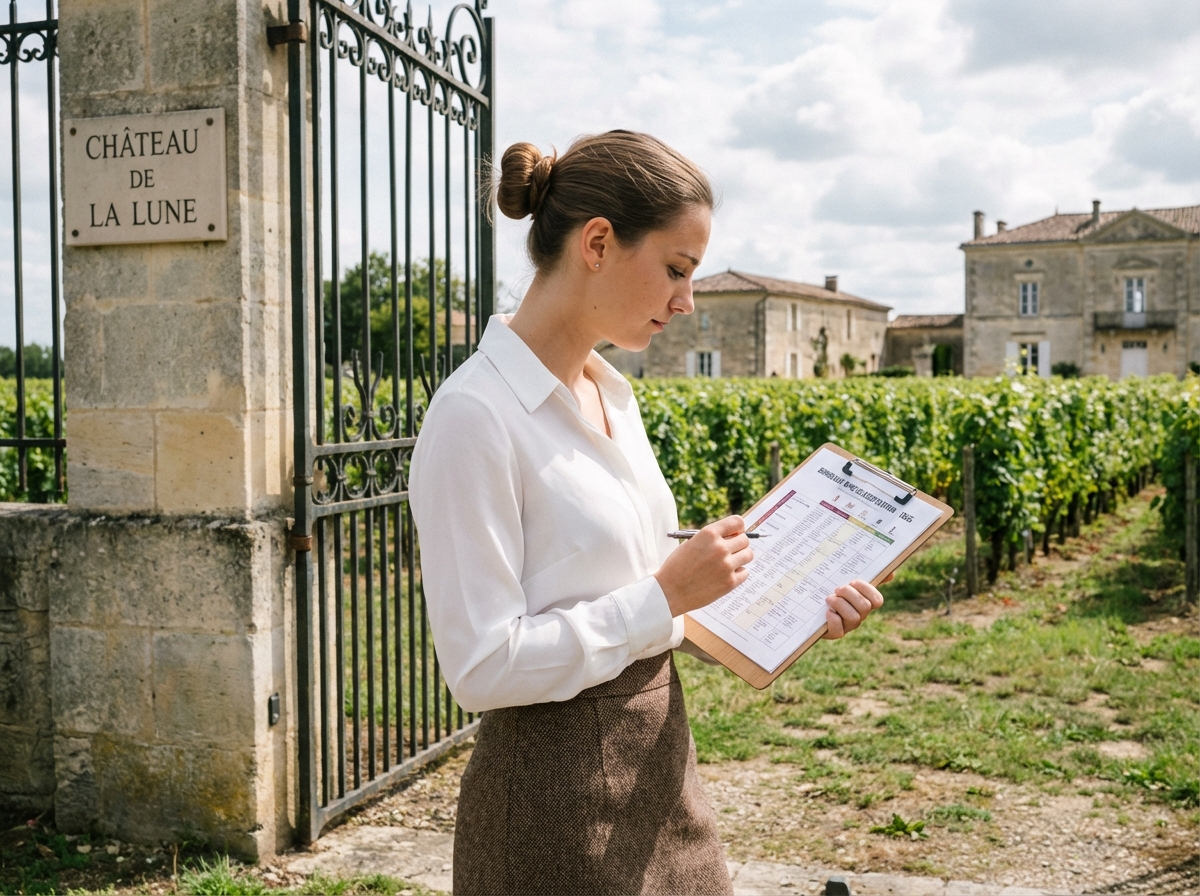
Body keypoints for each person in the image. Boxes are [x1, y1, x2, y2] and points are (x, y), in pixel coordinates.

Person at [409, 130, 885, 896]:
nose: (687, 301)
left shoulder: (614, 397)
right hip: (550, 810)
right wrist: (665, 594)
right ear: (597, 242)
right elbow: (481, 666)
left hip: (665, 776)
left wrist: (792, 605)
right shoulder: (475, 416)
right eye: (675, 269)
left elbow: (639, 610)